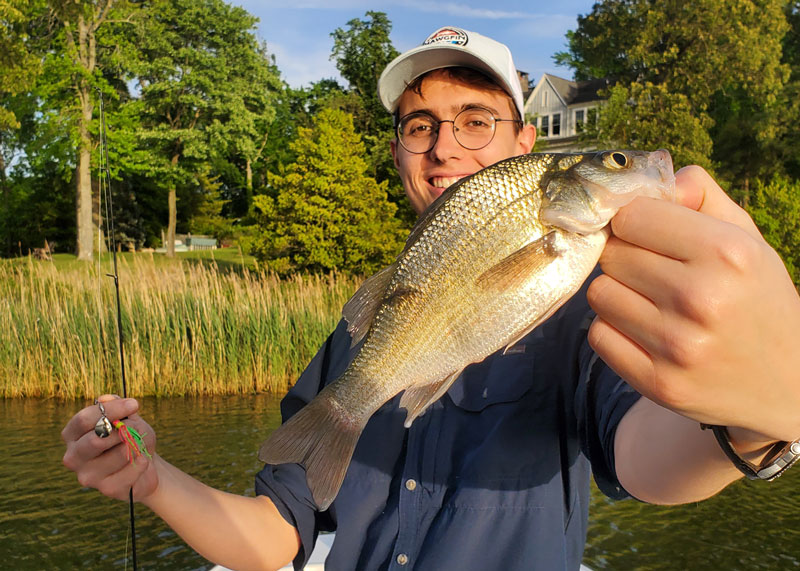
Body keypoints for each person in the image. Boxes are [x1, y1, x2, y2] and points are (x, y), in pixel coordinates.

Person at [62, 26, 800, 571]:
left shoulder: (590, 304)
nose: (445, 146)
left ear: (525, 146)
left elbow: (644, 460)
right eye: (421, 127)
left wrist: (760, 419)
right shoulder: (361, 331)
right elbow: (275, 532)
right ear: (399, 155)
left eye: (476, 119)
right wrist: (150, 478)